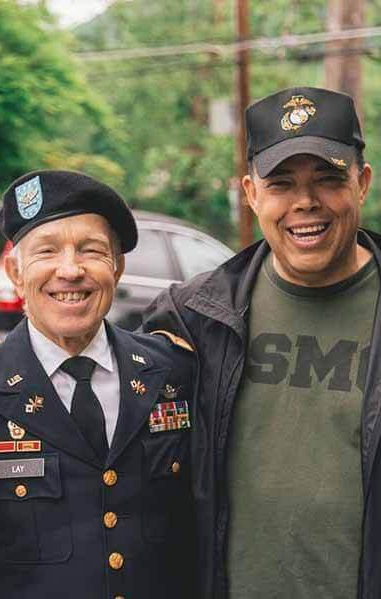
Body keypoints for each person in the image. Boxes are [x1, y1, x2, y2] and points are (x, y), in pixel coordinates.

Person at [143, 87, 378, 599]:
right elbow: (98, 392)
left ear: (361, 183)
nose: (305, 202)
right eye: (282, 184)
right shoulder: (193, 317)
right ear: (251, 193)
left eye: (328, 179)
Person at [0, 170, 197, 599]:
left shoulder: (175, 373)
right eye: (46, 252)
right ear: (16, 272)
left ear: (117, 267)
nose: (69, 271)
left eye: (90, 251)